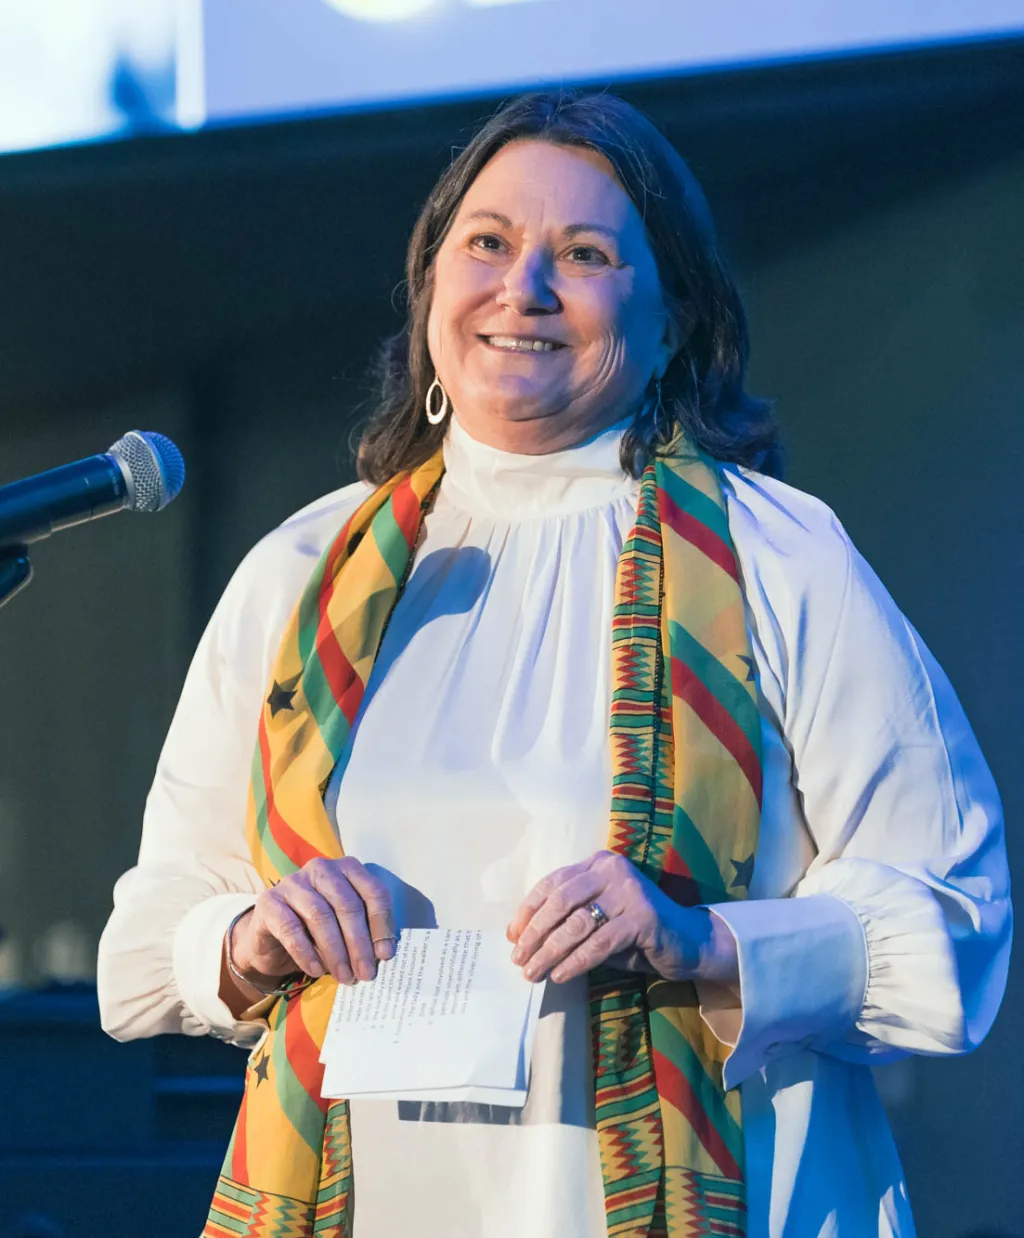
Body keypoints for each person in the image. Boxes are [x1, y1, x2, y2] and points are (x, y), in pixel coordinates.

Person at [97, 90, 1011, 1238]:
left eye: (581, 254)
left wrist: (703, 940)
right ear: (432, 283)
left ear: (674, 317)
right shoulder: (300, 570)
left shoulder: (782, 557)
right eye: (487, 242)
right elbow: (144, 948)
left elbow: (957, 919)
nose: (521, 287)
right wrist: (248, 936)